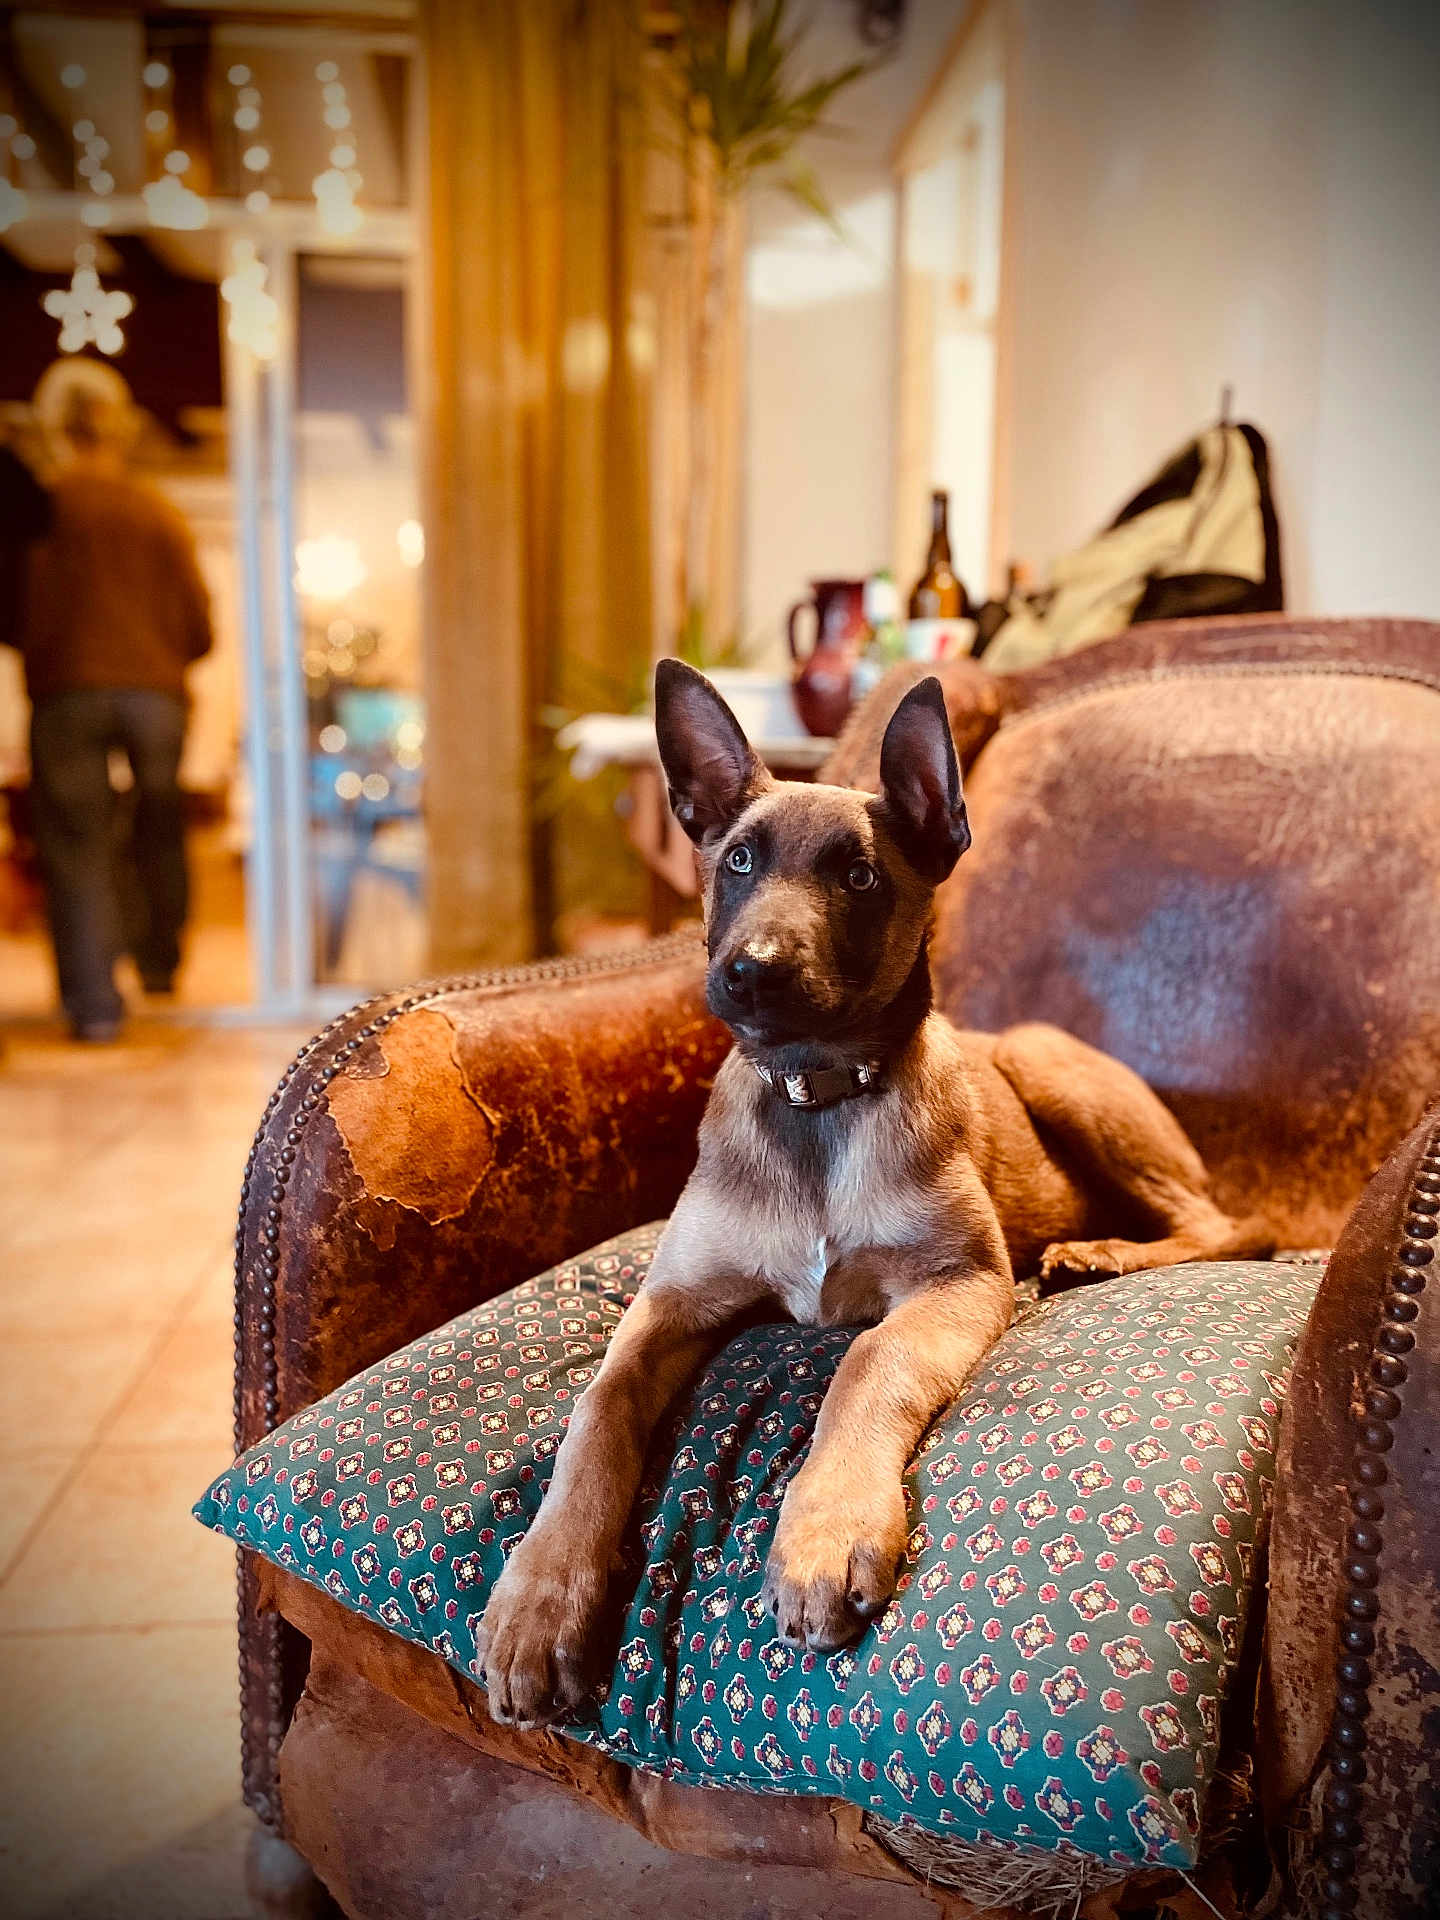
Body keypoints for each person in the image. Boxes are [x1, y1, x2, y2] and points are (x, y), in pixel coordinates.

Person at [10, 367, 213, 1041]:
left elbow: (12, 609)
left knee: (76, 843)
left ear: (53, 427)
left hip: (67, 689)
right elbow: (198, 625)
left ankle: (95, 1004)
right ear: (118, 423)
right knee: (160, 822)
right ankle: (159, 965)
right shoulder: (157, 511)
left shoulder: (44, 507)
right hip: (154, 691)